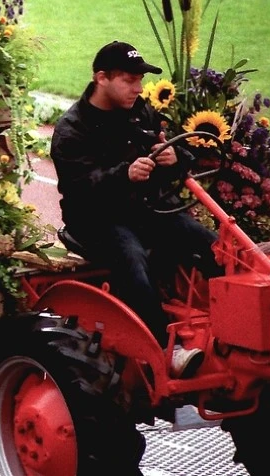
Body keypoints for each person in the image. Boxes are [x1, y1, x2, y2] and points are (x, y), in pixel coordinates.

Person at [51, 40, 221, 379]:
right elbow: (80, 187)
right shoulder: (71, 129)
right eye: (129, 80)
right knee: (133, 261)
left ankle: (230, 330)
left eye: (139, 80)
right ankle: (166, 350)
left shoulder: (141, 110)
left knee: (215, 245)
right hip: (97, 219)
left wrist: (176, 159)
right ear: (101, 78)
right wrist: (124, 174)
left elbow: (170, 154)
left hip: (147, 210)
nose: (138, 88)